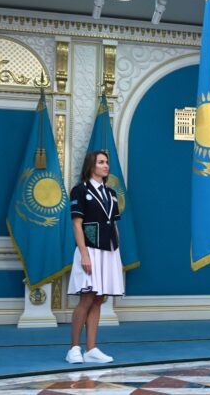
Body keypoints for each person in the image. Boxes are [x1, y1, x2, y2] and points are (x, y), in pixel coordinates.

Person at [65, 151, 124, 364]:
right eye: (101, 162)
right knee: (87, 297)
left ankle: (91, 349)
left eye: (107, 162)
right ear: (91, 166)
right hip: (90, 249)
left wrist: (117, 255)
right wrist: (84, 254)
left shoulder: (111, 193)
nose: (106, 165)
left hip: (109, 251)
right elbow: (77, 224)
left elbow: (114, 224)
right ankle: (73, 348)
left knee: (99, 299)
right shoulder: (80, 190)